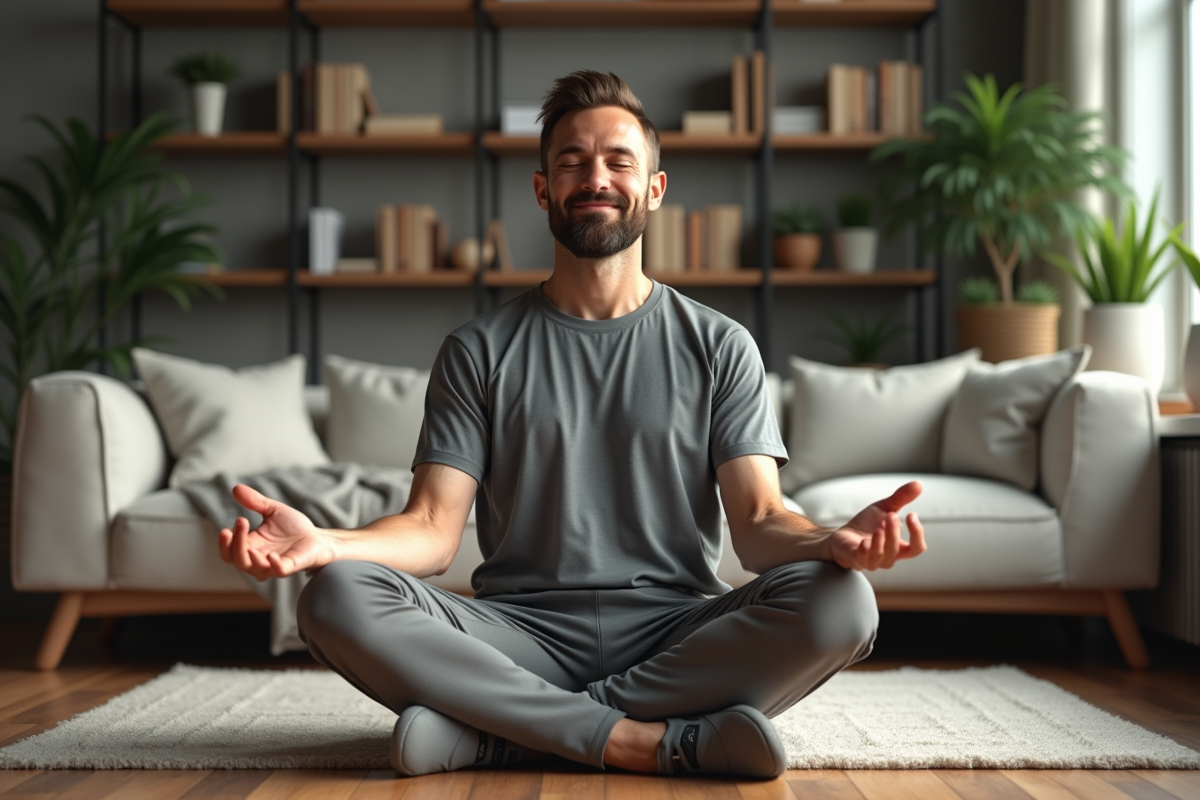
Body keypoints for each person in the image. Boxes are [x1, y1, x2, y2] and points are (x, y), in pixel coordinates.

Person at [218, 70, 926, 780]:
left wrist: (830, 542)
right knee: (336, 595)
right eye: (572, 162)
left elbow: (760, 521)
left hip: (675, 631)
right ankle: (641, 741)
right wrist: (327, 544)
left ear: (654, 187)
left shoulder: (721, 346)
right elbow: (432, 533)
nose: (596, 177)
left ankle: (503, 734)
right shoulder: (478, 350)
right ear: (543, 189)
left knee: (841, 602)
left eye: (619, 161)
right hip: (515, 632)